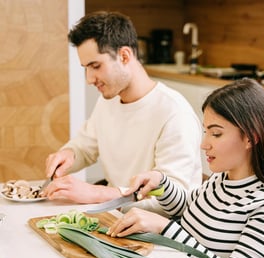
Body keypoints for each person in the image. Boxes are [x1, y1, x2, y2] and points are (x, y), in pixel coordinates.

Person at [107, 78, 264, 258]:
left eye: (216, 134)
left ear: (250, 137)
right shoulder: (221, 180)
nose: (204, 144)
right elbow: (188, 207)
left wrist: (164, 227)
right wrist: (162, 183)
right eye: (205, 132)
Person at [42, 11, 202, 214]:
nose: (89, 79)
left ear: (124, 56)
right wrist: (69, 154)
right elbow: (85, 147)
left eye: (96, 66)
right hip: (115, 219)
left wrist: (98, 193)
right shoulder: (107, 101)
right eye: (86, 68)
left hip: (160, 232)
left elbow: (170, 199)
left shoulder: (175, 114)